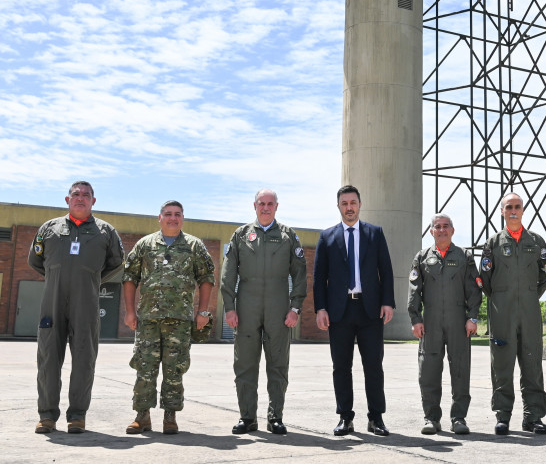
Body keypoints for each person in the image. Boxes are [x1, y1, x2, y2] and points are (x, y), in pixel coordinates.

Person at [28, 180, 125, 434]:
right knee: (48, 359)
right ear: (67, 200)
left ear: (94, 201)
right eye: (75, 194)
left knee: (84, 360)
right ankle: (47, 415)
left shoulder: (106, 232)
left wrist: (90, 278)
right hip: (53, 303)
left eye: (86, 195)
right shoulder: (49, 228)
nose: (80, 198)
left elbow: (116, 263)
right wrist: (55, 276)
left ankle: (77, 416)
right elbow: (35, 260)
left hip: (87, 304)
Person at [121, 200, 216, 435]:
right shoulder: (145, 244)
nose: (173, 218)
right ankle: (142, 416)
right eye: (168, 214)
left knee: (175, 369)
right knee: (145, 367)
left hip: (180, 319)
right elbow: (129, 277)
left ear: (182, 218)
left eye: (177, 214)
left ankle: (170, 416)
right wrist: (130, 311)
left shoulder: (194, 246)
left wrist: (203, 312)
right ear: (160, 217)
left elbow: (206, 278)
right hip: (148, 319)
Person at [219, 188, 308, 435]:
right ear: (254, 205)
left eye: (270, 203)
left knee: (278, 364)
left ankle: (275, 417)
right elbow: (228, 275)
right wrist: (229, 307)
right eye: (262, 203)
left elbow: (300, 274)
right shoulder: (241, 235)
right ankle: (247, 417)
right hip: (247, 308)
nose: (266, 207)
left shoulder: (289, 236)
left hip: (279, 309)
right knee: (245, 364)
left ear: (277, 207)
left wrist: (295, 308)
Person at [313, 185, 396, 436]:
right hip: (340, 311)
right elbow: (319, 278)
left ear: (360, 204)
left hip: (370, 310)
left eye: (353, 203)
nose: (349, 207)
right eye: (344, 203)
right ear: (338, 206)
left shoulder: (374, 233)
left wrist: (388, 302)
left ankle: (376, 418)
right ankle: (345, 418)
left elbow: (386, 270)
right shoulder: (327, 237)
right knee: (341, 366)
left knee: (373, 366)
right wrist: (321, 308)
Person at [479, 192, 546, 435]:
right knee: (502, 364)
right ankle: (503, 416)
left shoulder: (536, 241)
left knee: (532, 364)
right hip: (502, 312)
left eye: (517, 206)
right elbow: (485, 280)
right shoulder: (493, 243)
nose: (513, 210)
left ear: (523, 210)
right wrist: (503, 297)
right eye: (509, 207)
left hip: (530, 312)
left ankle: (533, 417)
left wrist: (530, 295)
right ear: (502, 211)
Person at [407, 213, 482, 435]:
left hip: (459, 321)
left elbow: (474, 290)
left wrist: (473, 317)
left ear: (452, 230)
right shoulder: (421, 258)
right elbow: (414, 291)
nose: (441, 230)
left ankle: (458, 418)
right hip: (430, 323)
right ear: (431, 231)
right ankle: (431, 418)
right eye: (437, 227)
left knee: (460, 369)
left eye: (446, 226)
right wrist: (415, 319)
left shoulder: (464, 257)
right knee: (428, 371)